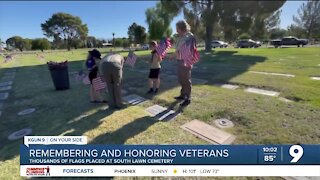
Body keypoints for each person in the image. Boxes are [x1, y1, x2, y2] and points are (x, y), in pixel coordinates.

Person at [171, 20, 197, 107]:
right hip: (179, 61)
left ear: (181, 27)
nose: (176, 30)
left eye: (177, 28)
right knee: (181, 79)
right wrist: (173, 56)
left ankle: (188, 98)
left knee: (186, 80)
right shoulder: (180, 37)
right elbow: (178, 49)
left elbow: (189, 50)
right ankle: (182, 95)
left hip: (186, 62)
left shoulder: (189, 36)